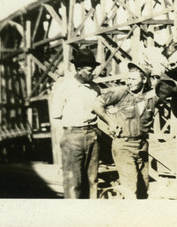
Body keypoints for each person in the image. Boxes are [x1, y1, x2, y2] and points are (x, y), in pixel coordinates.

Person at [50, 48, 118, 199]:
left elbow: (102, 110)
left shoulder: (95, 88)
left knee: (92, 179)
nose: (93, 73)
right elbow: (55, 117)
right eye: (89, 71)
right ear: (79, 70)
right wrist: (65, 140)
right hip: (72, 135)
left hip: (93, 135)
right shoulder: (64, 87)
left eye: (93, 70)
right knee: (73, 181)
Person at [100, 62, 157, 199]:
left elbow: (170, 89)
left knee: (143, 187)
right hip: (124, 144)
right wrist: (111, 122)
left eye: (133, 79)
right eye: (128, 78)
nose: (129, 82)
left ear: (144, 80)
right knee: (130, 187)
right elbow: (96, 104)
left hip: (142, 145)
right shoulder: (121, 93)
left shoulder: (151, 97)